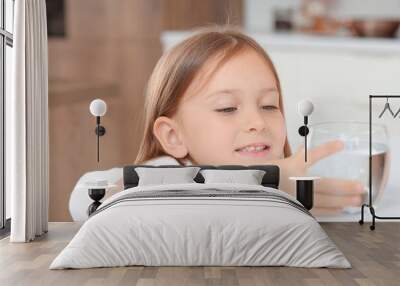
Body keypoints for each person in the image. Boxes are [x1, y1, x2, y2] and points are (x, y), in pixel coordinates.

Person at [122, 25, 364, 215]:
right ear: (173, 136)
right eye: (227, 108)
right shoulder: (160, 176)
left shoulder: (295, 182)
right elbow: (92, 198)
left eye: (269, 105)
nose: (257, 122)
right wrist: (268, 187)